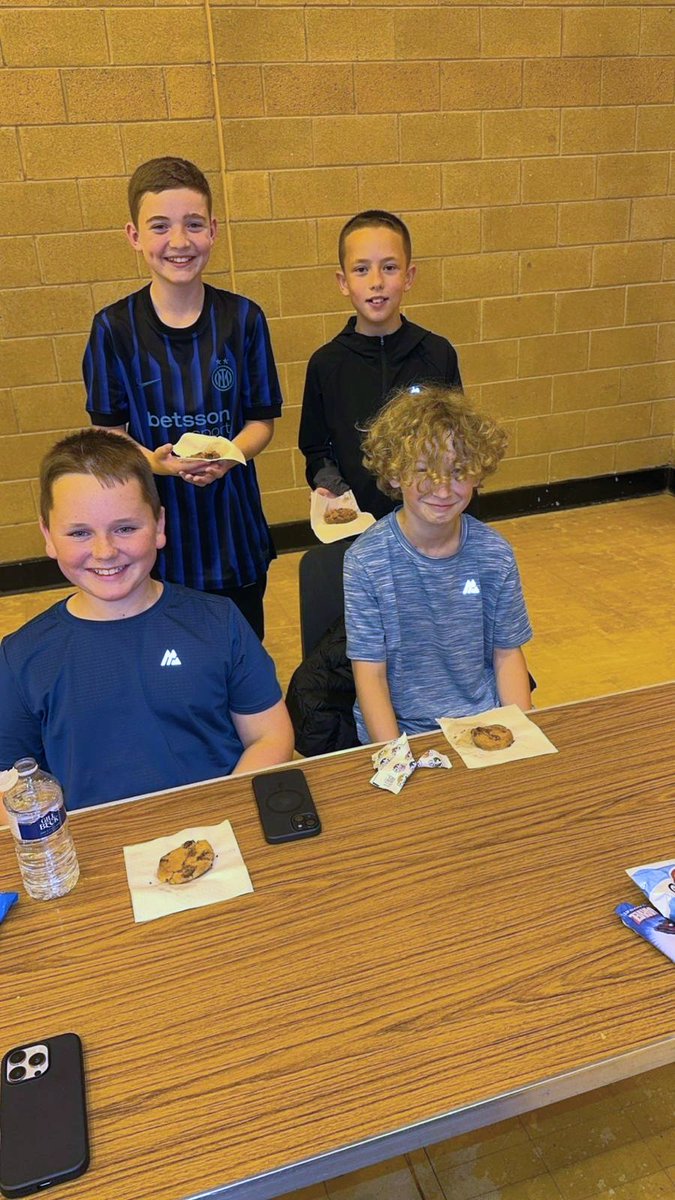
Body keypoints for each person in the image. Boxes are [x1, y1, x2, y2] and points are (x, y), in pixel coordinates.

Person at [0, 430, 294, 810]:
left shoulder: (218, 622)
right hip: (96, 848)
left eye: (125, 528)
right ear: (48, 535)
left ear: (158, 526)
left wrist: (221, 812)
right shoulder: (21, 655)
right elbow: (10, 781)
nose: (104, 551)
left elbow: (269, 737)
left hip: (219, 831)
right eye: (79, 533)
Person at [83, 156, 282, 640]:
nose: (179, 241)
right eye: (160, 226)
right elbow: (110, 436)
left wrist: (229, 456)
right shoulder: (114, 329)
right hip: (153, 537)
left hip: (233, 534)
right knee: (169, 661)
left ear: (213, 230)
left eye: (193, 224)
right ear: (134, 235)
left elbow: (261, 423)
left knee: (239, 654)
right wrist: (155, 463)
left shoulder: (244, 320)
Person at [343, 386, 532, 746]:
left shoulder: (495, 554)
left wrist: (519, 735)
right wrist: (395, 753)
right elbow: (370, 676)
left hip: (482, 717)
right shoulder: (365, 562)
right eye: (423, 470)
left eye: (458, 470)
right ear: (395, 473)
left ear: (478, 474)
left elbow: (507, 654)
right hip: (402, 730)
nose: (443, 490)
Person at [298, 210, 462, 521]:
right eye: (361, 270)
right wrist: (332, 487)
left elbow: (457, 442)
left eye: (389, 268)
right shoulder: (326, 364)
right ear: (343, 282)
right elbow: (316, 450)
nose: (376, 282)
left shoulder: (438, 354)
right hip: (359, 529)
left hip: (427, 526)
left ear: (408, 277)